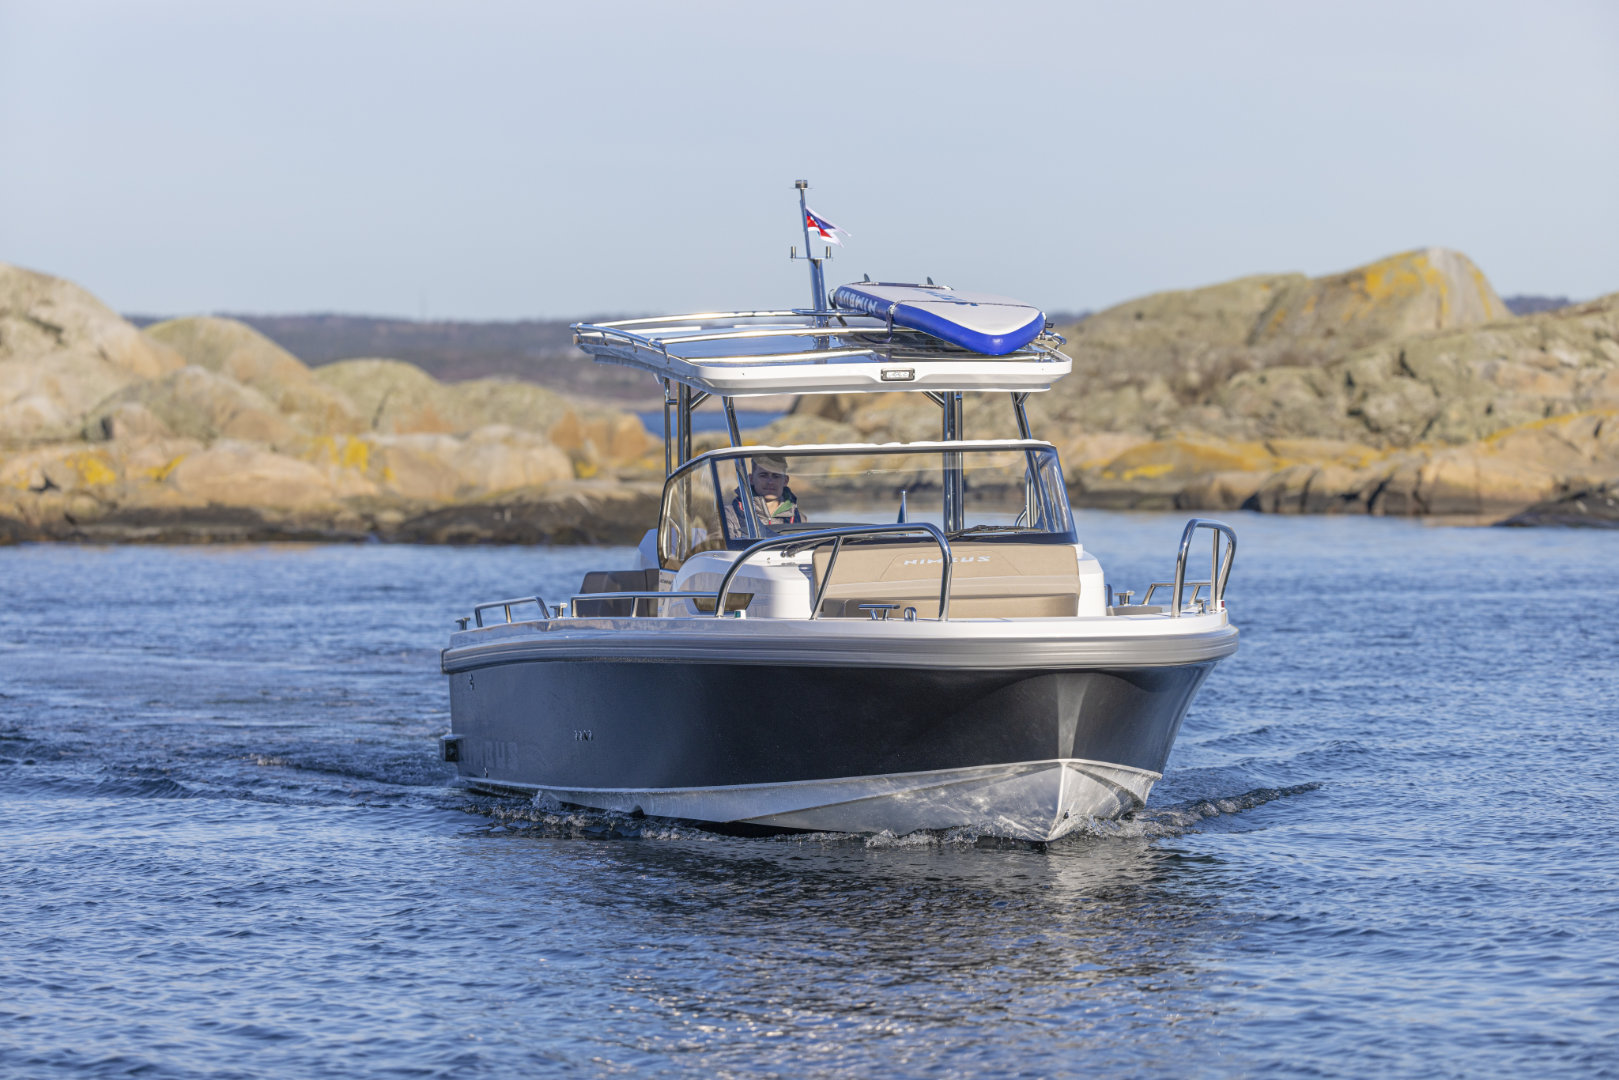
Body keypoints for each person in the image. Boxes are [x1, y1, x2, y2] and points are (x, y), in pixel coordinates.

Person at [725, 454, 808, 538]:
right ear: (751, 479)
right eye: (763, 475)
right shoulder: (728, 515)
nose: (770, 482)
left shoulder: (800, 519)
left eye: (776, 476)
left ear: (785, 481)